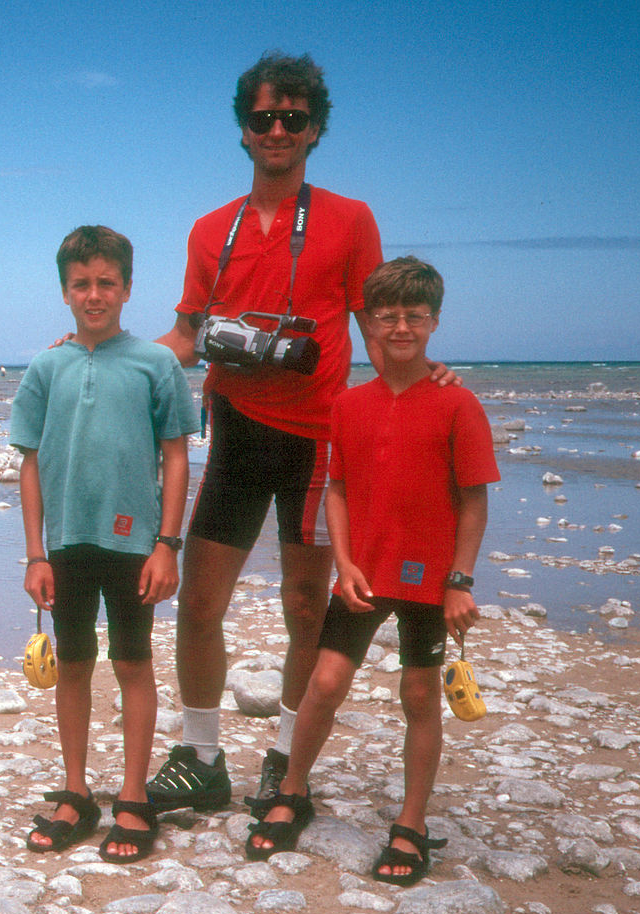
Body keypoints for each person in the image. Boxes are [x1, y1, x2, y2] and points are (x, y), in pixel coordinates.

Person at [147, 52, 453, 813]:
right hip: (238, 431)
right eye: (263, 118)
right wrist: (107, 359)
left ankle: (287, 756)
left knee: (305, 607)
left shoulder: (350, 219)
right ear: (244, 132)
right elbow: (185, 337)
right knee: (199, 606)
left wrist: (428, 381)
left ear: (315, 130)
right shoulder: (209, 230)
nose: (278, 129)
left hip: (320, 441)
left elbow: (379, 325)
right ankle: (202, 755)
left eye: (293, 117)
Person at [244, 256, 498, 886]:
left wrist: (460, 582)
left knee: (419, 695)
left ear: (434, 321)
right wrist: (347, 561)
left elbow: (474, 499)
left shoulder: (457, 404)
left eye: (414, 316)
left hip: (430, 581)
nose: (401, 327)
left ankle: (411, 824)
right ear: (370, 324)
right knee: (324, 684)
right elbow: (336, 487)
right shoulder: (349, 406)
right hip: (363, 576)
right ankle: (293, 791)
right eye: (387, 316)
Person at [11, 225, 200, 864]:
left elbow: (176, 456)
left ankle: (132, 796)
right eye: (81, 284)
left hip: (133, 542)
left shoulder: (156, 364)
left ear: (127, 288)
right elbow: (30, 462)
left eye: (106, 283)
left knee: (132, 662)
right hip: (65, 542)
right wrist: (36, 552)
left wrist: (167, 543)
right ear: (65, 291)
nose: (95, 295)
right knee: (73, 663)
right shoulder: (47, 365)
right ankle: (74, 792)